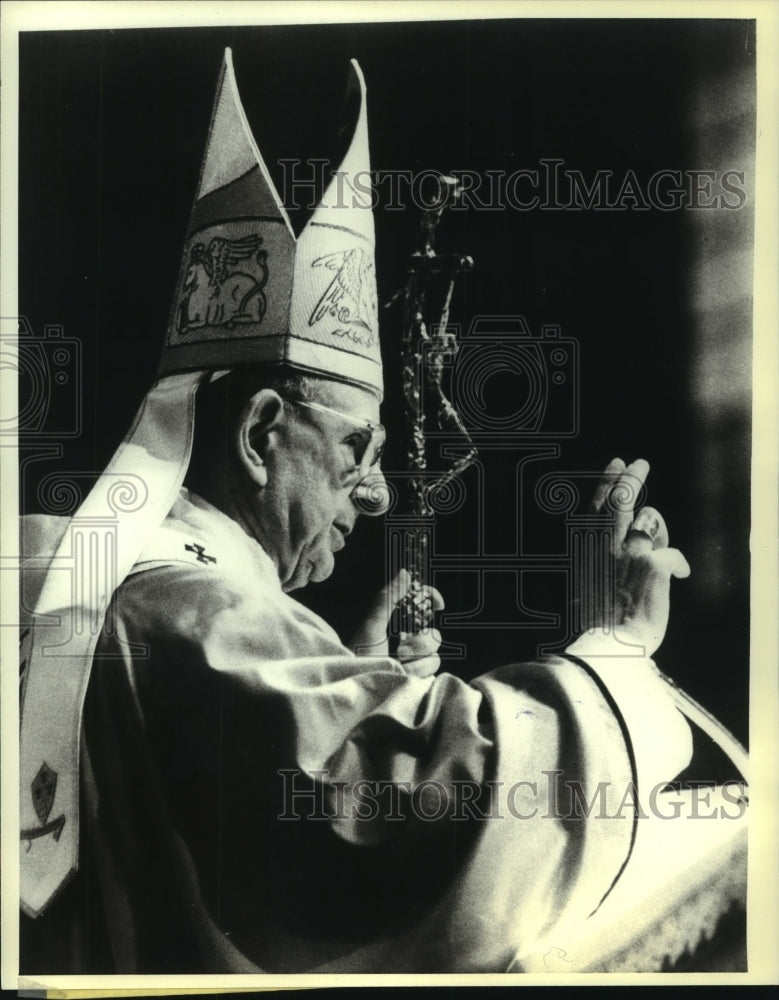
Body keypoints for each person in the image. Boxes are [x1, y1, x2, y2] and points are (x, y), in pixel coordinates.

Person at [19, 50, 746, 975]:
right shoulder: (191, 615)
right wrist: (610, 647)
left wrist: (349, 678)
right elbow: (432, 812)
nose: (376, 491)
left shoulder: (75, 574)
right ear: (259, 433)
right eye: (358, 450)